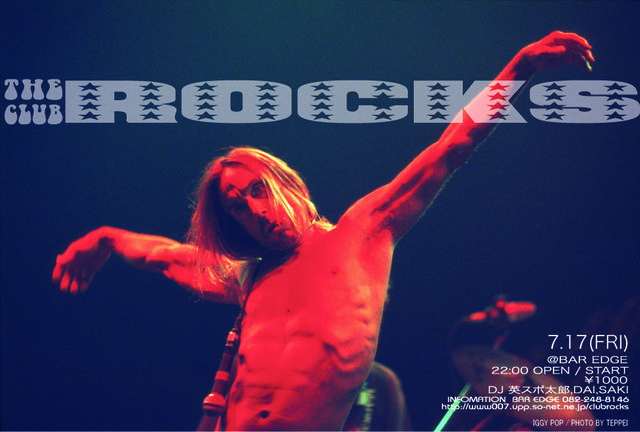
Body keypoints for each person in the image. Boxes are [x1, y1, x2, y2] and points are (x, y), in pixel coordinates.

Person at [53, 32, 594, 431]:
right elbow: (164, 255)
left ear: (284, 182)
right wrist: (104, 238)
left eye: (257, 190)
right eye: (237, 207)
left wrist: (519, 68)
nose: (252, 210)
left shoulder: (362, 233)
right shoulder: (249, 278)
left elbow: (453, 144)